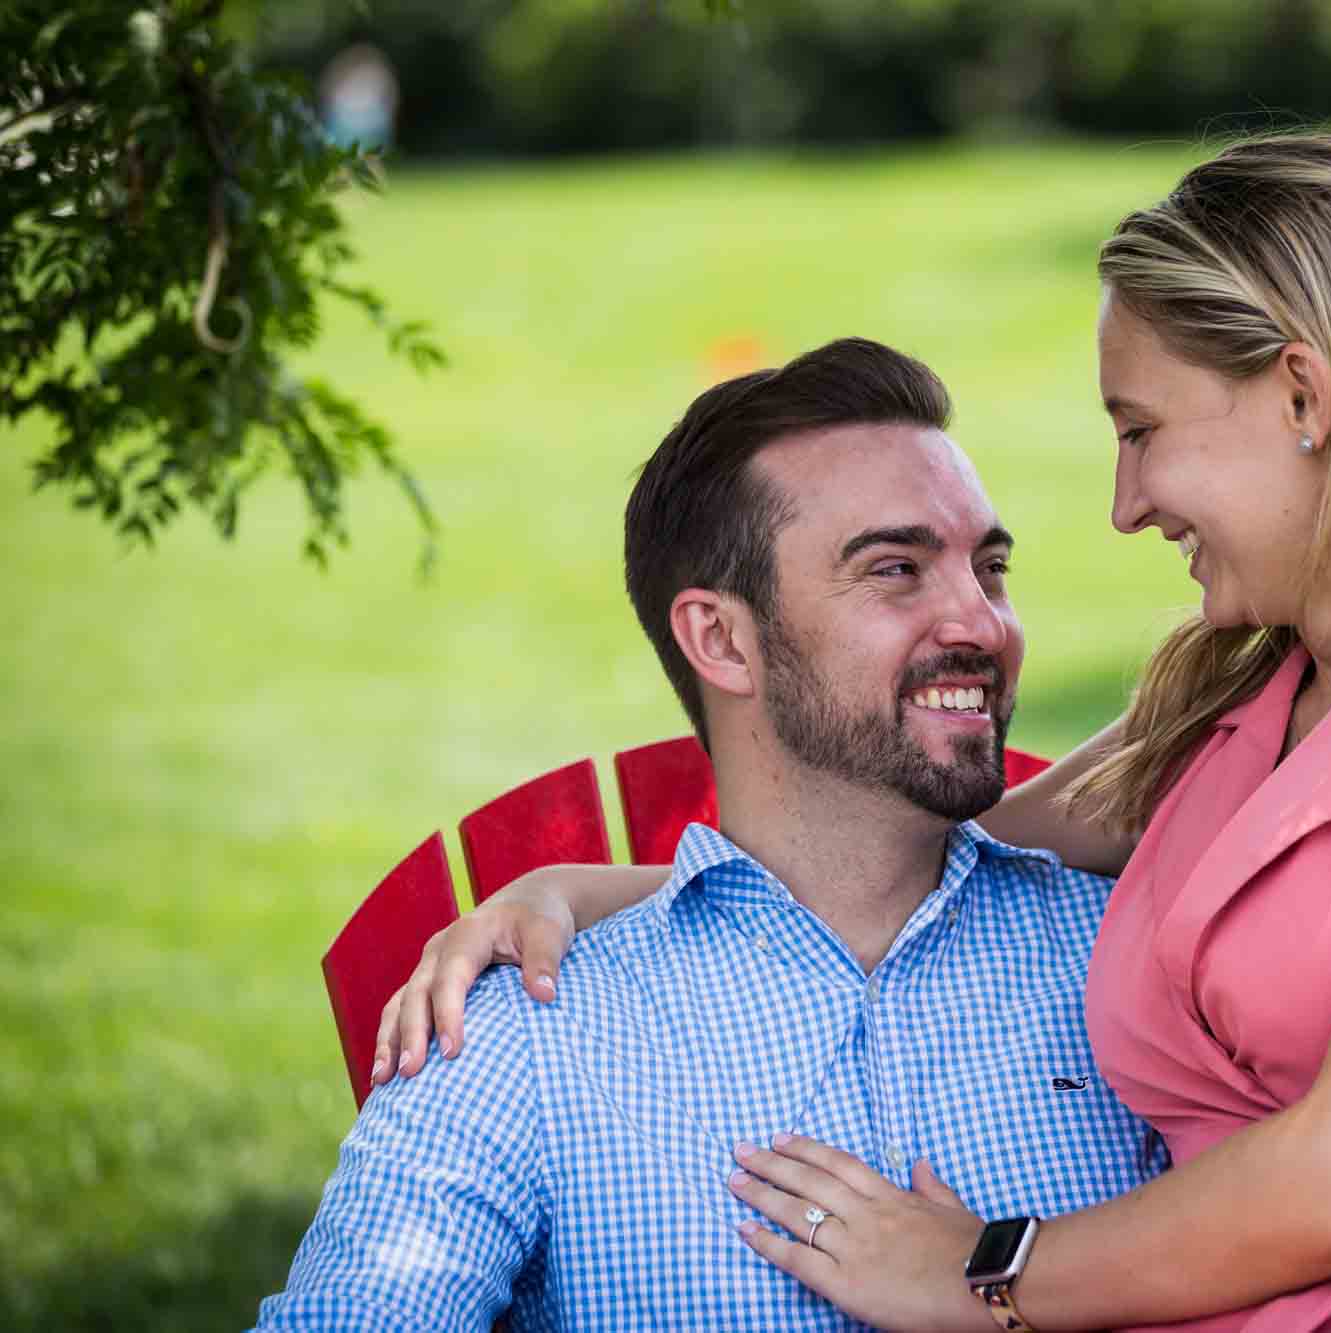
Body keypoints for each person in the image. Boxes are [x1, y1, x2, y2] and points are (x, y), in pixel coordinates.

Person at [384, 132, 1331, 1331]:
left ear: (1304, 397)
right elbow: (904, 858)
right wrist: (585, 890)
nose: (1129, 505)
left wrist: (982, 1272)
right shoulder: (1241, 712)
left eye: (1143, 431)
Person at [254, 338, 1168, 1332]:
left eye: (987, 567)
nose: (981, 620)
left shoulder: (1139, 964)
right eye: (897, 569)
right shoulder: (529, 1036)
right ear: (721, 639)